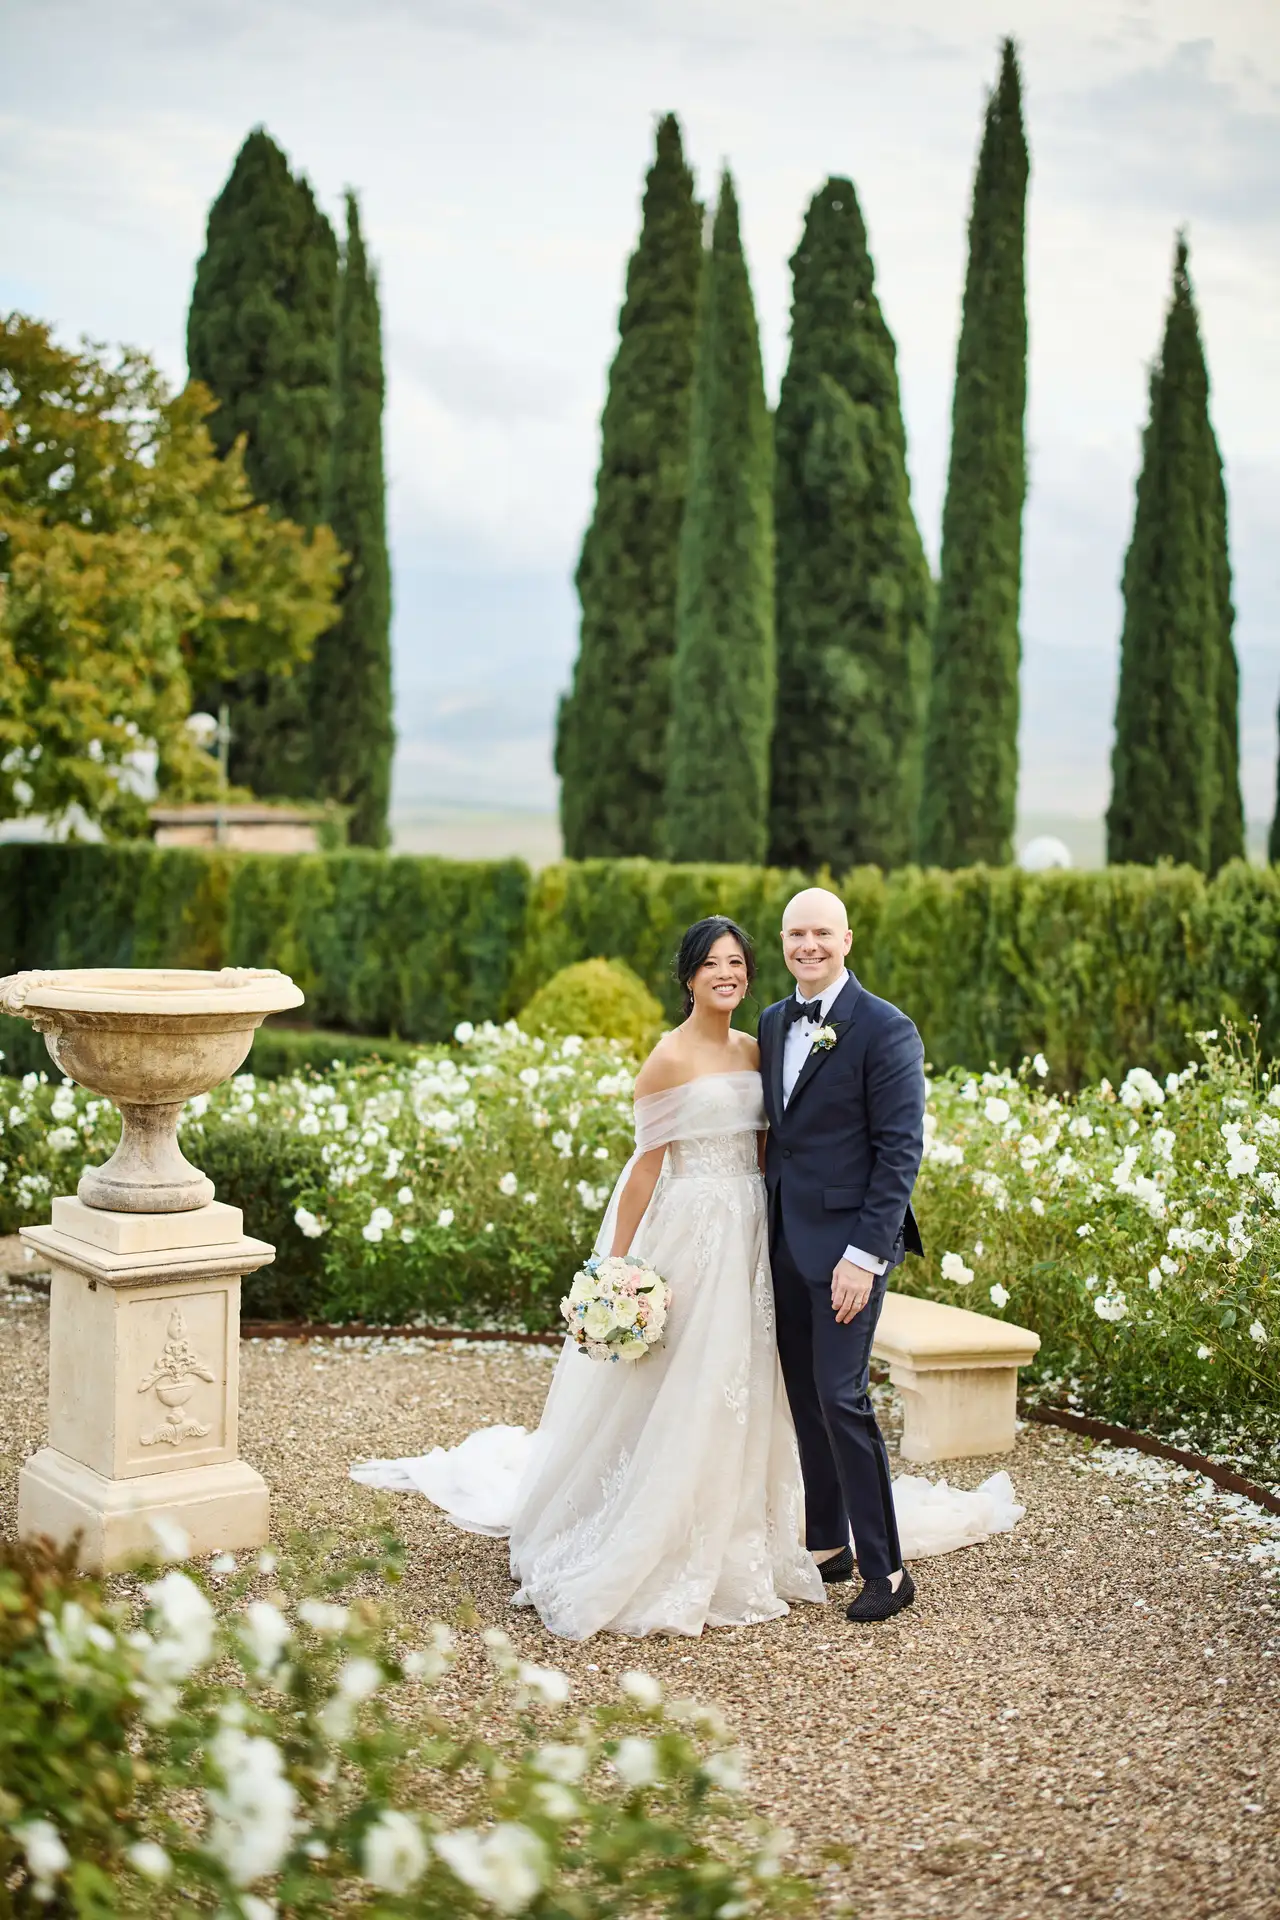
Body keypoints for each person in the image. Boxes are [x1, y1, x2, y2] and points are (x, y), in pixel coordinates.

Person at [352, 917, 827, 1640]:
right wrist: (617, 1265)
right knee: (686, 1377)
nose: (726, 974)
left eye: (737, 963)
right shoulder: (665, 1060)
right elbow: (644, 1170)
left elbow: (766, 1150)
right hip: (691, 1232)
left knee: (746, 1372)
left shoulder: (756, 1049)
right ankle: (651, 1526)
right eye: (711, 964)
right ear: (688, 977)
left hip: (750, 1231)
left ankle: (743, 1521)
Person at [759, 885, 928, 1622]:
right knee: (804, 1396)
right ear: (785, 942)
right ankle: (828, 1542)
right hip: (783, 1241)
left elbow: (899, 1154)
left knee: (841, 1394)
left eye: (822, 933)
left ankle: (887, 1571)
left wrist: (865, 1254)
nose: (809, 946)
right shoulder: (771, 1022)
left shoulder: (886, 1029)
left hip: (849, 1251)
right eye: (797, 934)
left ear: (848, 940)